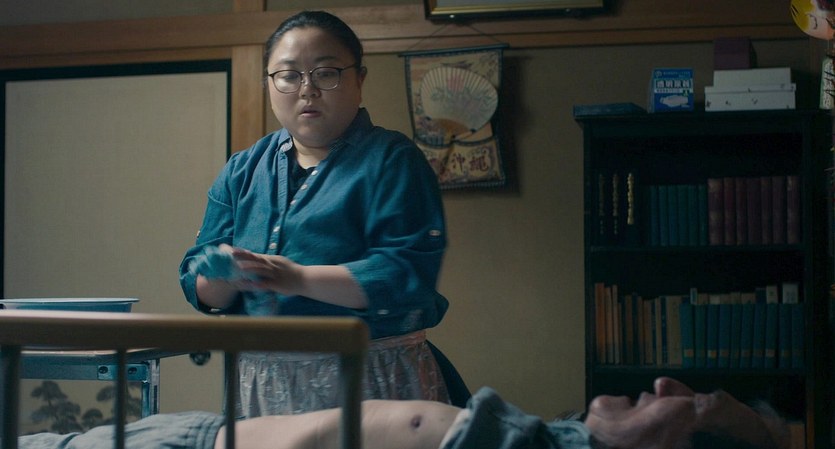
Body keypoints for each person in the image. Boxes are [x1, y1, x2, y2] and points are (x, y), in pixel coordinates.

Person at [178, 10, 452, 417]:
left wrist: (297, 278)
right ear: (269, 83)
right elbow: (198, 285)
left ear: (359, 79)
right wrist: (225, 275)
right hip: (260, 379)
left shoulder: (392, 159)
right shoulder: (242, 169)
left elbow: (405, 274)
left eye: (326, 73)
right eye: (289, 75)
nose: (307, 90)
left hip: (369, 374)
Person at [18, 377, 789, 449]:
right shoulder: (554, 437)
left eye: (690, 401)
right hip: (202, 431)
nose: (660, 383)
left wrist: (745, 425)